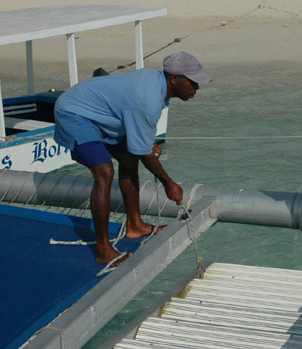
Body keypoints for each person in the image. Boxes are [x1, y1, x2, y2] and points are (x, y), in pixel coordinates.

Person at [54, 51, 213, 266]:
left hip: (103, 115)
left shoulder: (157, 84)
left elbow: (138, 124)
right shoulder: (148, 100)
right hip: (75, 113)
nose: (196, 89)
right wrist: (169, 184)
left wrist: (147, 139)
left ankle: (135, 225)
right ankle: (103, 249)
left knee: (129, 159)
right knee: (104, 171)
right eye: (193, 83)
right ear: (174, 78)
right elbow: (145, 148)